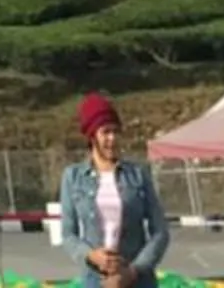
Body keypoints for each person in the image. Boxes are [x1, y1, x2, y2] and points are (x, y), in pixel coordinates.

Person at [59, 96, 170, 288]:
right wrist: (91, 255)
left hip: (139, 280)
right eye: (106, 132)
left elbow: (160, 232)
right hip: (95, 280)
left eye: (116, 132)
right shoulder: (73, 177)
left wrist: (133, 271)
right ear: (92, 136)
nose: (113, 139)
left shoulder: (138, 175)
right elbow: (68, 234)